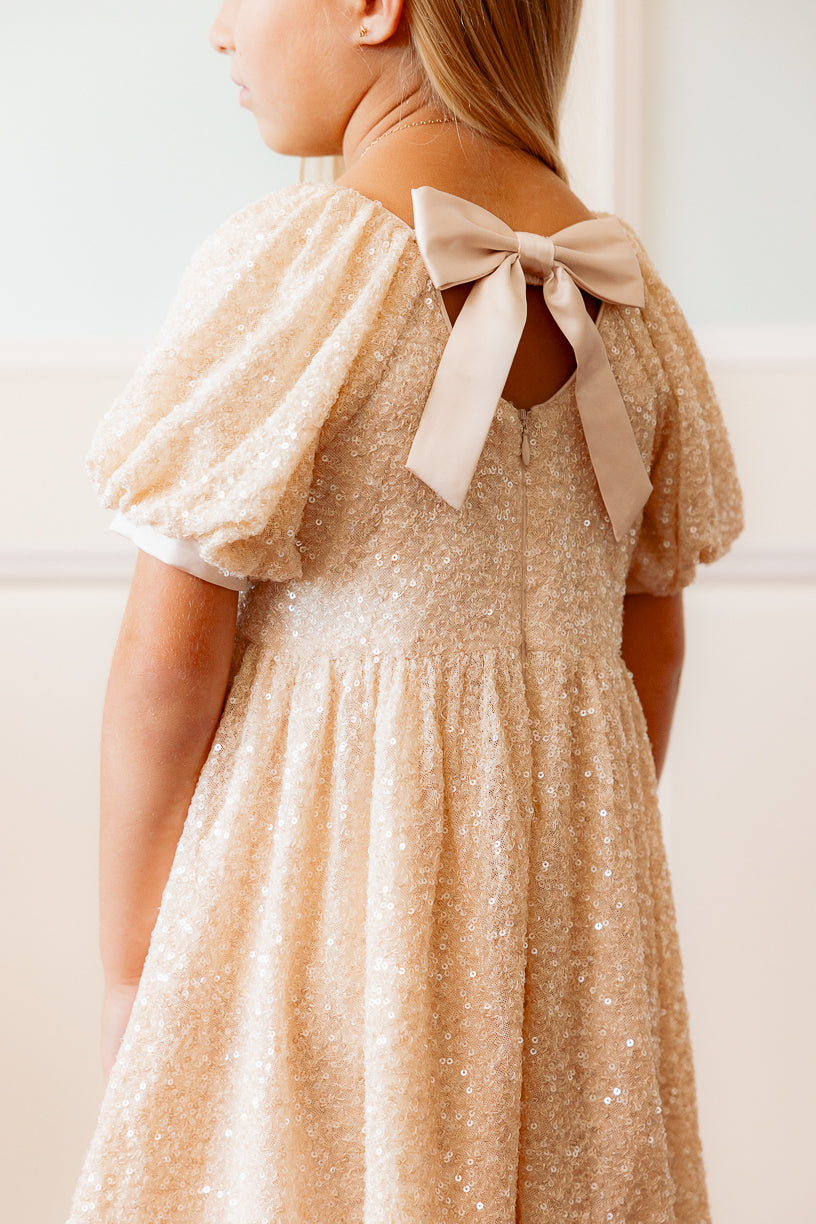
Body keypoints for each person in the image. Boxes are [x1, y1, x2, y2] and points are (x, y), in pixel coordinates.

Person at [65, 0, 744, 1221]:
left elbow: (168, 658)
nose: (220, 31)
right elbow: (654, 630)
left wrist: (130, 965)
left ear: (378, 8)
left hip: (319, 903)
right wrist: (576, 859)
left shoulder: (304, 268)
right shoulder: (633, 305)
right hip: (568, 937)